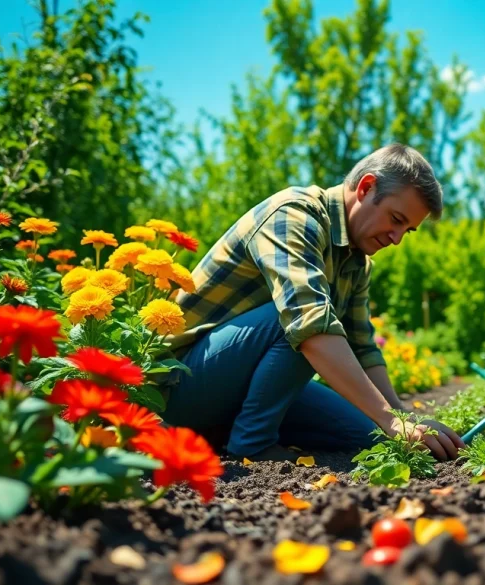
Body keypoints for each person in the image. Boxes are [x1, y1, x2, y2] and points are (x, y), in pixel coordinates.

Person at [158, 143, 464, 462]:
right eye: (396, 219)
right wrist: (391, 420)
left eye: (407, 230)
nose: (397, 238)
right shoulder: (293, 215)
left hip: (238, 387)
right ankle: (253, 443)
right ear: (366, 187)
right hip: (181, 388)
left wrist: (402, 419)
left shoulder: (357, 262)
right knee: (304, 320)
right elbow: (310, 324)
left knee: (368, 435)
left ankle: (231, 431)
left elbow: (362, 348)